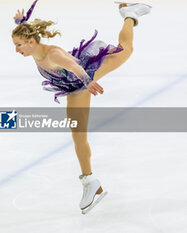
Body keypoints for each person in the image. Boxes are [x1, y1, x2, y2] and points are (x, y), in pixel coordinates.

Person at [11, 0, 151, 214]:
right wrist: (22, 22)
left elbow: (74, 66)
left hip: (89, 73)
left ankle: (129, 15)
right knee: (78, 134)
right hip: (75, 88)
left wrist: (88, 81)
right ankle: (91, 182)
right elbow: (31, 38)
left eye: (19, 45)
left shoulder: (52, 54)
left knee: (126, 50)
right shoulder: (35, 48)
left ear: (30, 41)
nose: (16, 50)